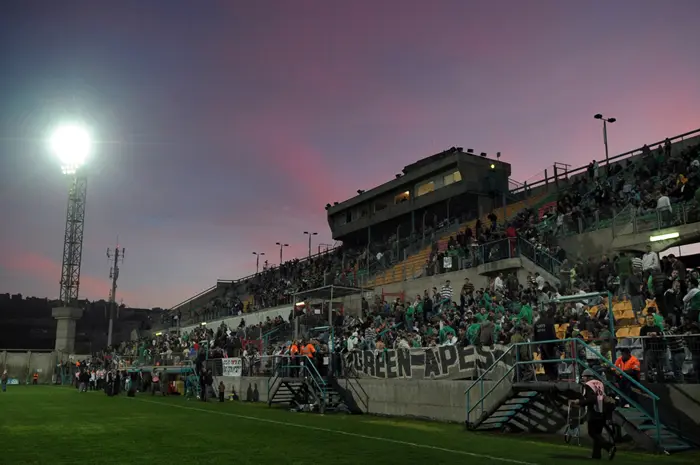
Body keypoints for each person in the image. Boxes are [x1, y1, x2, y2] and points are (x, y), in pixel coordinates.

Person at [571, 369, 617, 460]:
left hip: (594, 411)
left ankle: (609, 447)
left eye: (583, 376)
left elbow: (592, 399)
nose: (583, 378)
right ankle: (596, 455)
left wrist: (579, 402)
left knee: (592, 432)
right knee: (597, 433)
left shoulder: (588, 385)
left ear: (587, 377)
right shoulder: (600, 383)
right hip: (602, 410)